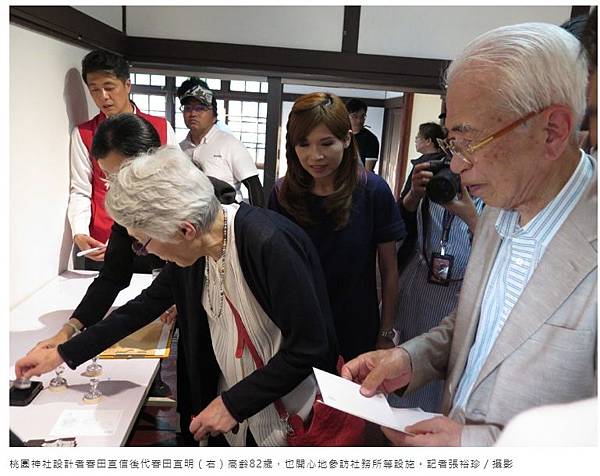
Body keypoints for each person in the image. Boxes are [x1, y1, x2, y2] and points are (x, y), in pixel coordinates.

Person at [342, 22, 596, 446]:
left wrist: (473, 447)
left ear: (552, 131)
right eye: (450, 144)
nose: (456, 166)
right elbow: (480, 322)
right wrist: (411, 357)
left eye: (468, 142)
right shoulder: (501, 207)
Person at [16, 146, 339, 447]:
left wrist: (233, 403)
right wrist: (63, 352)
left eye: (143, 243)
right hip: (239, 409)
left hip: (289, 415)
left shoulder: (268, 243)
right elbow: (143, 307)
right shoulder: (196, 249)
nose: (145, 252)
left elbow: (310, 347)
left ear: (185, 230)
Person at [31, 113, 236, 404]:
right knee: (194, 397)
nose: (117, 187)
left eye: (122, 174)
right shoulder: (130, 210)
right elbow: (114, 276)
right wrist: (70, 330)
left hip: (223, 325)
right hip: (181, 313)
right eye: (109, 178)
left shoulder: (208, 199)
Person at [268, 92, 405, 361]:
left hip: (355, 323)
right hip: (295, 324)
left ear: (346, 139)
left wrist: (386, 333)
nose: (315, 156)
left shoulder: (373, 190)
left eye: (326, 143)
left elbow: (389, 269)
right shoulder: (283, 193)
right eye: (303, 144)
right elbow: (273, 268)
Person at [392, 122, 482, 413]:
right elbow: (398, 234)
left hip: (459, 292)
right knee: (406, 364)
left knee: (442, 376)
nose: (456, 162)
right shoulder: (430, 171)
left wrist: (471, 217)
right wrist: (412, 197)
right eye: (451, 146)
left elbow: (502, 253)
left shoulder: (496, 192)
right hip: (418, 285)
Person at [67, 49, 177, 268]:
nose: (103, 97)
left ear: (127, 85)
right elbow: (80, 189)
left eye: (109, 87)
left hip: (153, 241)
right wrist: (79, 232)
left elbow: (174, 183)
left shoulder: (161, 127)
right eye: (94, 89)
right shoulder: (85, 133)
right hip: (103, 243)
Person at [177, 78, 264, 207]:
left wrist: (258, 220)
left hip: (226, 220)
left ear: (214, 115)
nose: (193, 113)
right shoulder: (179, 149)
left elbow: (254, 186)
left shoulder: (230, 144)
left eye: (200, 108)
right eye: (188, 108)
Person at [346, 98, 380, 172]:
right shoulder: (339, 134)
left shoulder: (371, 139)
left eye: (363, 116)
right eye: (354, 116)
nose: (359, 120)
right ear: (346, 116)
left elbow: (368, 171)